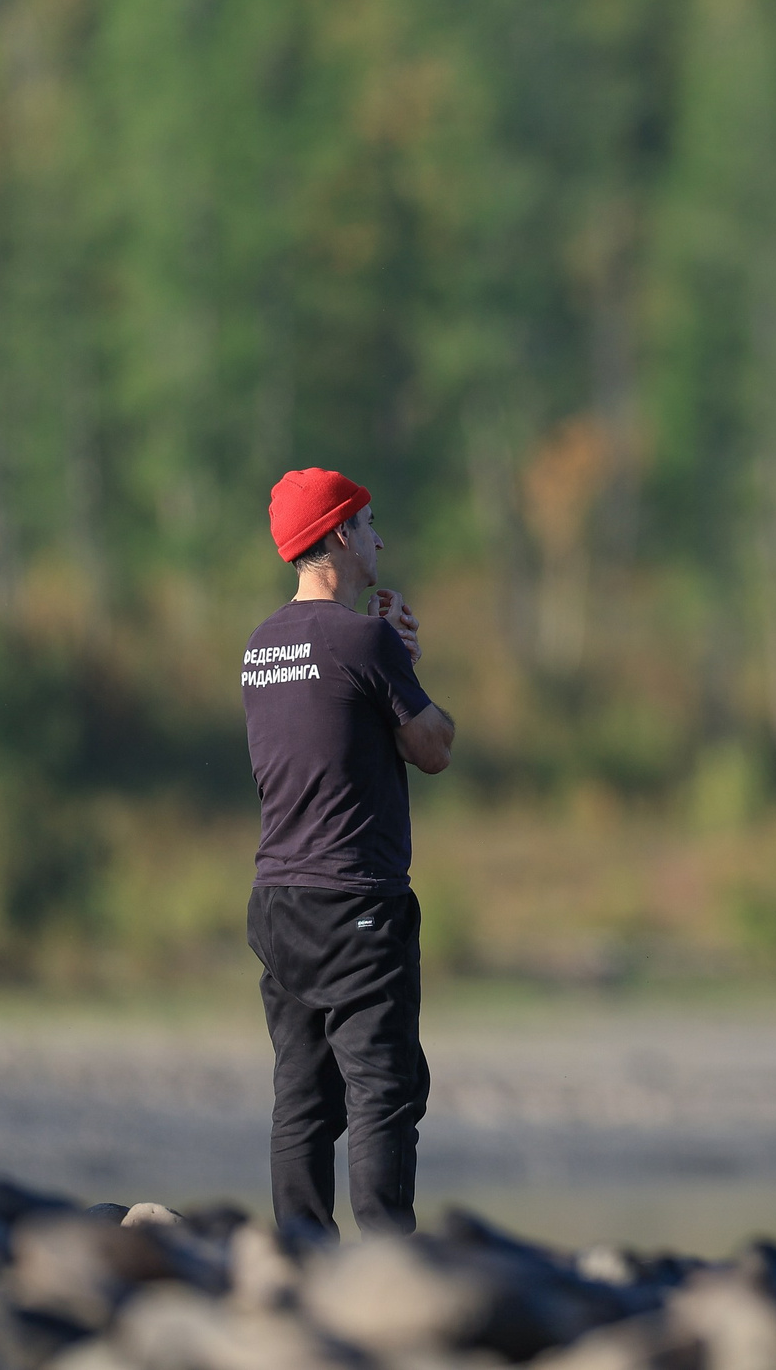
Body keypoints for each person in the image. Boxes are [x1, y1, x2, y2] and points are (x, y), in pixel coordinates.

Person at [240, 467, 455, 1238]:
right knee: (382, 1086)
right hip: (355, 895)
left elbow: (325, 728)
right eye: (367, 525)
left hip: (279, 899)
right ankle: (386, 1257)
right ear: (337, 535)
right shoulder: (365, 637)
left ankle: (299, 1252)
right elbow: (431, 747)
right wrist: (405, 662)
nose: (379, 539)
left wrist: (386, 664)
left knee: (302, 1091)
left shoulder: (260, 646)